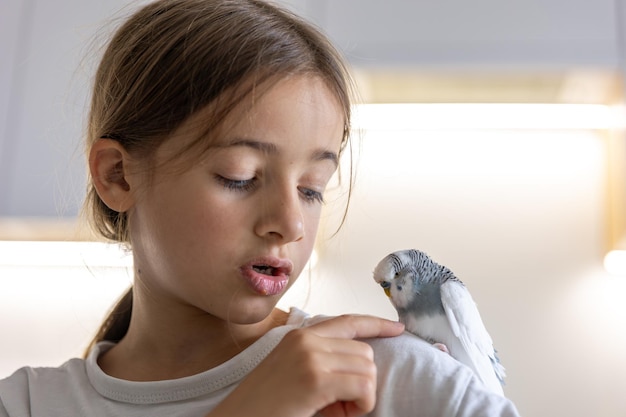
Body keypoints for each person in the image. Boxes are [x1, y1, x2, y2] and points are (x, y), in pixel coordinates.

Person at [0, 1, 520, 416]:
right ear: (117, 176)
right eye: (241, 177)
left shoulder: (397, 379)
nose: (290, 224)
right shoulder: (24, 404)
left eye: (313, 188)